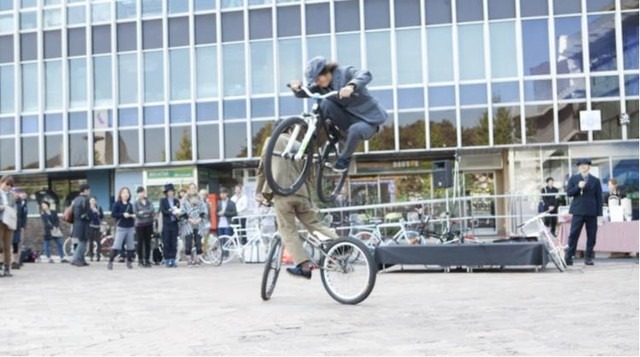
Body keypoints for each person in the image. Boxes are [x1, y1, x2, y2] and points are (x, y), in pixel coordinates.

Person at [256, 123, 339, 280]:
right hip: (301, 193)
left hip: (282, 193)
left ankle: (303, 266)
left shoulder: (270, 141)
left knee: (288, 230)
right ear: (289, 130)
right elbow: (309, 175)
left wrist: (259, 192)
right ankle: (340, 243)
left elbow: (262, 168)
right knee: (315, 225)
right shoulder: (299, 145)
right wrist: (310, 198)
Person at [289, 56, 388, 172]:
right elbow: (303, 93)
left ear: (325, 72)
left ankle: (344, 159)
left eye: (318, 79)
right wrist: (295, 87)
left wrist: (351, 86)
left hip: (368, 121)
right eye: (315, 81)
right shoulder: (320, 87)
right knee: (325, 103)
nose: (318, 83)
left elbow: (365, 74)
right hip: (346, 120)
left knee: (355, 130)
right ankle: (308, 143)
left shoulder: (345, 72)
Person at [565, 158, 603, 266]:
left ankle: (588, 257)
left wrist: (599, 214)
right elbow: (569, 193)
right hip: (578, 211)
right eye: (580, 165)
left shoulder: (595, 180)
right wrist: (578, 186)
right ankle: (569, 257)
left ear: (589, 167)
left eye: (585, 165)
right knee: (573, 235)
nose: (582, 166)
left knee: (591, 235)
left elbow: (599, 198)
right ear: (578, 167)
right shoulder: (574, 178)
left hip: (591, 212)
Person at [108, 187, 136, 270]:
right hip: (121, 227)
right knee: (117, 245)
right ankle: (110, 261)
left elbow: (131, 214)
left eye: (127, 193)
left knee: (130, 246)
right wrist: (122, 214)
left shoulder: (130, 205)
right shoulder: (117, 204)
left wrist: (132, 216)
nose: (126, 194)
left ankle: (129, 262)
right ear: (120, 194)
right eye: (124, 192)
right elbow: (113, 214)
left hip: (130, 227)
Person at [180, 183, 208, 266]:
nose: (193, 190)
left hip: (199, 222)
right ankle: (189, 259)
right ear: (188, 189)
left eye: (194, 188)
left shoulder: (200, 198)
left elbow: (204, 210)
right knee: (188, 241)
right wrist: (190, 219)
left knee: (198, 241)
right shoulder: (184, 200)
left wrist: (199, 219)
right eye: (191, 188)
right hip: (188, 223)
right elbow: (182, 212)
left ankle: (198, 259)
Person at [159, 183, 181, 268]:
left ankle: (173, 259)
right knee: (166, 242)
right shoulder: (163, 200)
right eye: (169, 191)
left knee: (174, 242)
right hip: (166, 224)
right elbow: (163, 211)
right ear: (166, 192)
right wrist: (171, 212)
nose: (170, 193)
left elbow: (179, 209)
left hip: (174, 223)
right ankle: (167, 259)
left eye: (172, 191)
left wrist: (178, 213)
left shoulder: (176, 201)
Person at [70, 184, 92, 267]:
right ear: (86, 190)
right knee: (83, 242)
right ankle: (76, 259)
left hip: (76, 223)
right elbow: (87, 213)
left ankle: (82, 260)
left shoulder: (75, 199)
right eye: (89, 190)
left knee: (81, 242)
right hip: (84, 224)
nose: (89, 192)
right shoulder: (86, 200)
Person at [134, 187, 155, 268]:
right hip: (139, 225)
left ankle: (147, 260)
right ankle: (140, 260)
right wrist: (146, 213)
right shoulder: (136, 203)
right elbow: (136, 213)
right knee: (140, 242)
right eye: (139, 192)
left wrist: (143, 212)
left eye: (142, 192)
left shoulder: (149, 201)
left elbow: (152, 210)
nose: (141, 194)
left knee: (148, 242)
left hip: (149, 224)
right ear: (137, 194)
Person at [0, 176, 16, 277]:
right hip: (0, 221)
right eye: (7, 184)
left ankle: (7, 268)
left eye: (11, 185)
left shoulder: (12, 195)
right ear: (1, 182)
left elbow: (14, 208)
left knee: (7, 246)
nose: (9, 187)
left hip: (9, 222)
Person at [12, 190, 28, 270]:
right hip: (9, 225)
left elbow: (23, 216)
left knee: (17, 243)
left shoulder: (21, 203)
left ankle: (16, 261)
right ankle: (10, 261)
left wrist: (23, 226)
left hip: (18, 226)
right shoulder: (10, 202)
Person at [87, 197, 104, 262]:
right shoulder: (88, 209)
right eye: (91, 200)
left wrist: (98, 213)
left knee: (98, 241)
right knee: (90, 241)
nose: (93, 202)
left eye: (94, 200)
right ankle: (91, 255)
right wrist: (92, 212)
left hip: (97, 226)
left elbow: (102, 216)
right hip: (91, 226)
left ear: (96, 201)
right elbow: (88, 216)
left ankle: (98, 256)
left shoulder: (99, 208)